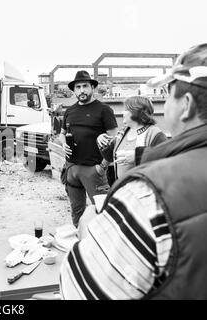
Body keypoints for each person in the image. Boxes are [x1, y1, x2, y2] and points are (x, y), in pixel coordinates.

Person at [59, 43, 207, 299]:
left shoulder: (148, 195)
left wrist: (92, 229)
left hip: (95, 174)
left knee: (85, 216)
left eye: (167, 93)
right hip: (73, 168)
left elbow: (79, 290)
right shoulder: (70, 111)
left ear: (186, 104)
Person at [58, 70, 118, 227]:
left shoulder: (104, 110)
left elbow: (115, 141)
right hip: (71, 169)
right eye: (78, 87)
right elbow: (61, 134)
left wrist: (102, 167)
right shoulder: (70, 111)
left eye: (85, 86)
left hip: (94, 170)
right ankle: (80, 243)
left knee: (103, 213)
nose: (81, 90)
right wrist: (63, 143)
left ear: (92, 88)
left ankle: (103, 247)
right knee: (76, 212)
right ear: (74, 90)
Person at [96, 96, 167, 182]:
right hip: (123, 188)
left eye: (126, 110)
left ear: (136, 111)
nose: (123, 112)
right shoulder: (123, 131)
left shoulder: (155, 133)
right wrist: (101, 140)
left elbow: (165, 159)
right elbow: (110, 156)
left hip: (144, 190)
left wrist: (137, 156)